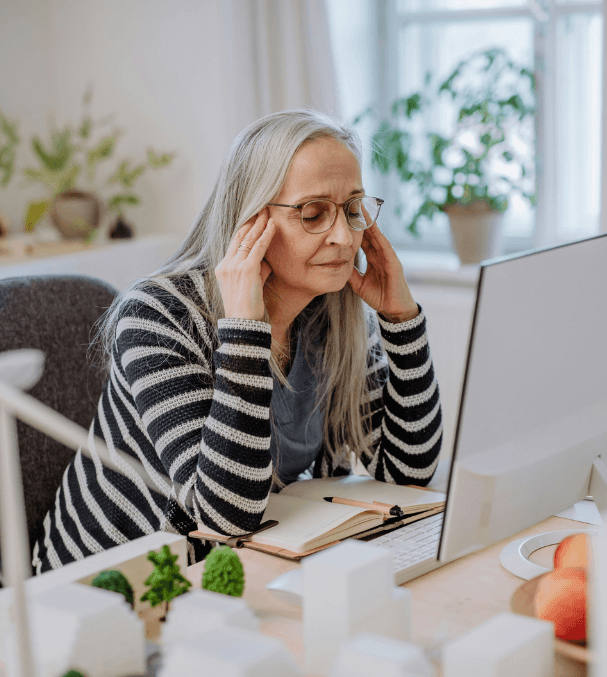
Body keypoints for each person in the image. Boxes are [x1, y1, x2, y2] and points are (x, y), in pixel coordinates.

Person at [33, 109, 443, 571]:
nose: (344, 236)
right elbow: (224, 514)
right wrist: (246, 330)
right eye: (313, 214)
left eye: (352, 209)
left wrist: (402, 321)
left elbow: (405, 475)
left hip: (234, 566)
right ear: (250, 222)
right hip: (109, 586)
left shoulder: (333, 314)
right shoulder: (157, 316)